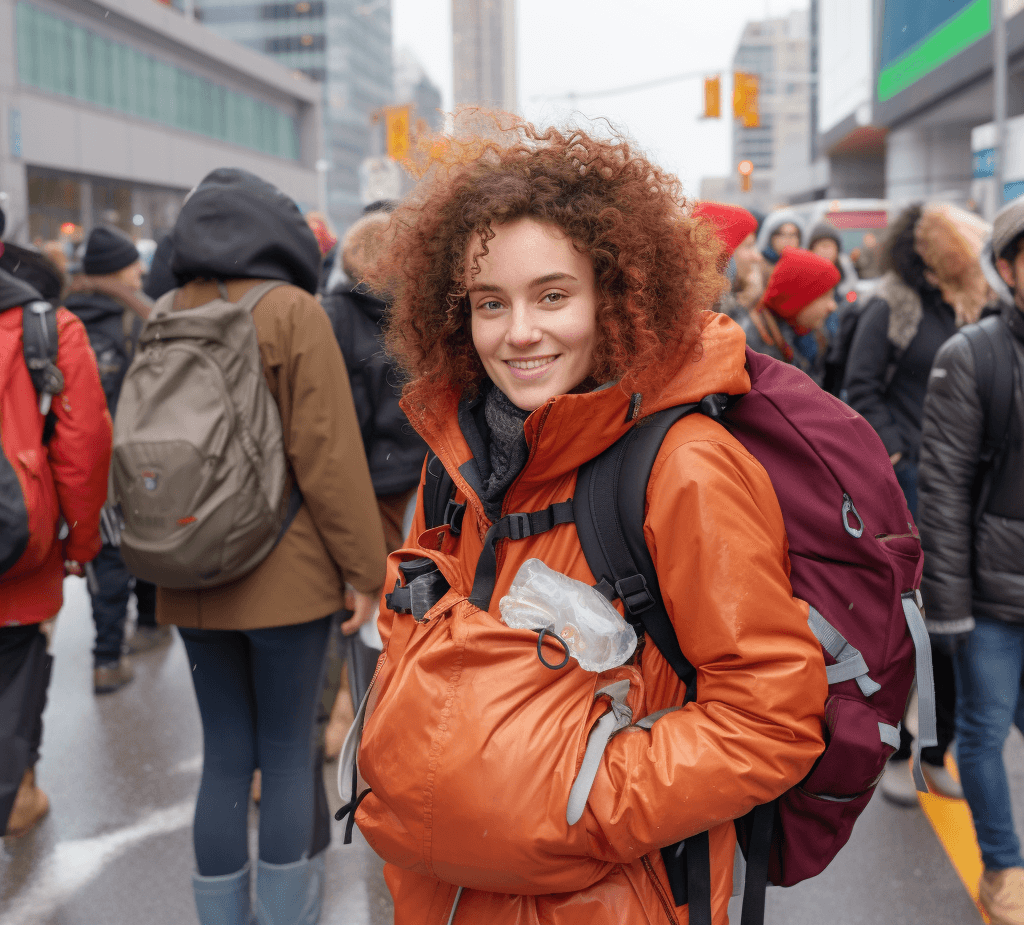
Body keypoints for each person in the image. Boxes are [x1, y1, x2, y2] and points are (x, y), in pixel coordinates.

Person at [358, 121, 828, 925]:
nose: (520, 333)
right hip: (452, 897)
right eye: (489, 304)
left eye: (552, 295)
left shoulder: (682, 466)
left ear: (613, 297)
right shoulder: (463, 456)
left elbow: (770, 719)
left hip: (620, 896)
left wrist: (573, 798)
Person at [155, 168, 387, 925]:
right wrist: (365, 571)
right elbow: (328, 456)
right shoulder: (293, 311)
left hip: (189, 568)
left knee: (225, 755)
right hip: (286, 574)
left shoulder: (165, 309)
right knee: (288, 752)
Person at [844, 202, 993, 805]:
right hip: (910, 491)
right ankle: (896, 752)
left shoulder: (970, 301)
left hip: (967, 489)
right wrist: (899, 458)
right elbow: (860, 389)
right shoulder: (893, 304)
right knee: (911, 625)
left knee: (957, 622)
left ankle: (936, 751)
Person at [918, 199, 1024, 925]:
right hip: (991, 591)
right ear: (1010, 267)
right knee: (984, 732)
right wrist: (947, 605)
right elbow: (945, 489)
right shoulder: (973, 356)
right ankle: (1005, 870)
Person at [0, 219, 112, 837]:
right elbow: (83, 449)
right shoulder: (47, 327)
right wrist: (81, 546)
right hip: (20, 545)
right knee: (15, 673)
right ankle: (17, 793)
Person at [318, 210, 429, 754]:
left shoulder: (333, 315)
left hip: (362, 479)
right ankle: (390, 709)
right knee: (409, 596)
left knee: (360, 595)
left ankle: (348, 714)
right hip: (420, 475)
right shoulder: (421, 314)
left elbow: (334, 415)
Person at [65, 226, 165, 694]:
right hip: (136, 459)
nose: (140, 271)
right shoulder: (138, 318)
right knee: (139, 544)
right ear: (118, 271)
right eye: (132, 265)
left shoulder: (62, 319)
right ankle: (134, 634)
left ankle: (110, 652)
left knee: (105, 554)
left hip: (80, 462)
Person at [732, 246, 839, 384]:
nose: (832, 306)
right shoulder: (752, 349)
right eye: (825, 296)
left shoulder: (813, 337)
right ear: (799, 298)